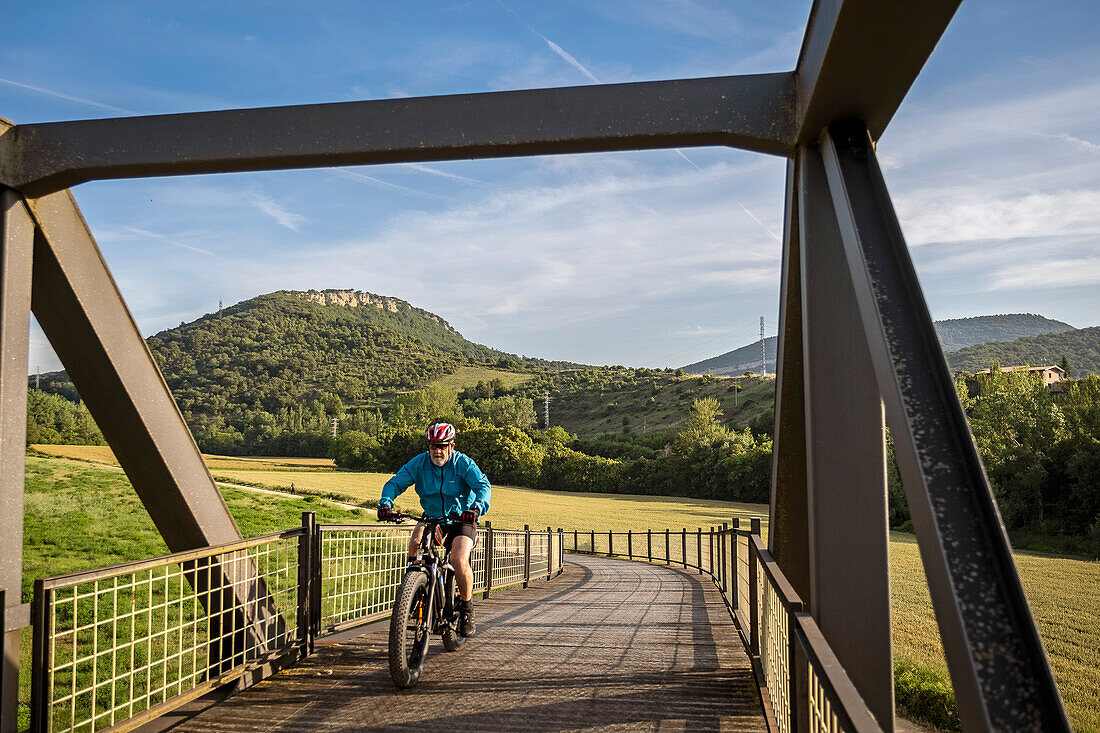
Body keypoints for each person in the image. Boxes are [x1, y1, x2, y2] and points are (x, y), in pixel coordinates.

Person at [376, 422, 490, 637]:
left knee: (458, 559)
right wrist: (386, 503)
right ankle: (413, 592)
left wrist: (476, 508)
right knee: (415, 543)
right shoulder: (418, 464)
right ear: (428, 447)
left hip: (462, 517)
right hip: (433, 516)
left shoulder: (463, 463)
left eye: (443, 446)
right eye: (433, 446)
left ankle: (467, 609)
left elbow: (482, 486)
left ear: (451, 446)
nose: (437, 451)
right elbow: (395, 483)